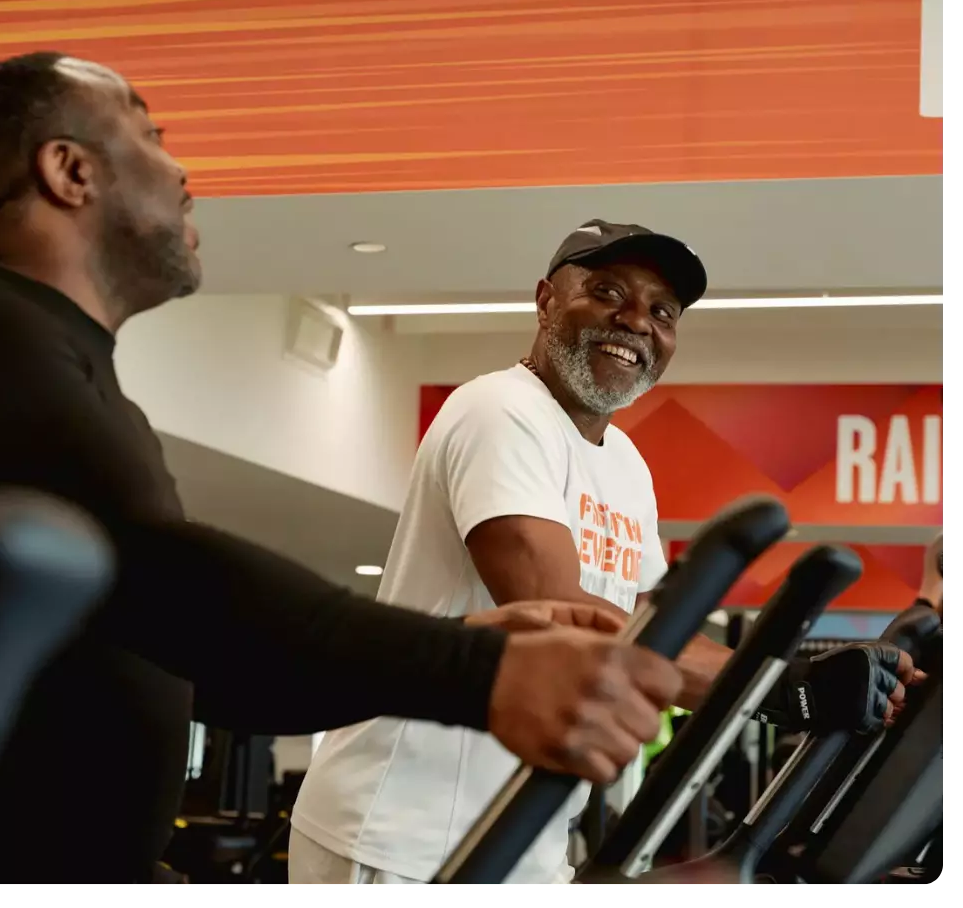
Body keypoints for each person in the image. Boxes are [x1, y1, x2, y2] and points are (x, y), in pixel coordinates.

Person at [0, 54, 685, 889]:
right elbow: (166, 577)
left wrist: (458, 638)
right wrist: (476, 668)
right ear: (70, 172)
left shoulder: (68, 372)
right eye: (151, 137)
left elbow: (198, 661)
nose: (182, 172)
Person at [288, 220, 920, 892]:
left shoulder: (626, 463)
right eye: (607, 292)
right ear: (545, 301)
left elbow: (658, 624)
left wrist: (793, 673)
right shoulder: (498, 410)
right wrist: (781, 687)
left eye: (662, 312)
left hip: (524, 840)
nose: (636, 321)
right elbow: (558, 617)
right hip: (400, 830)